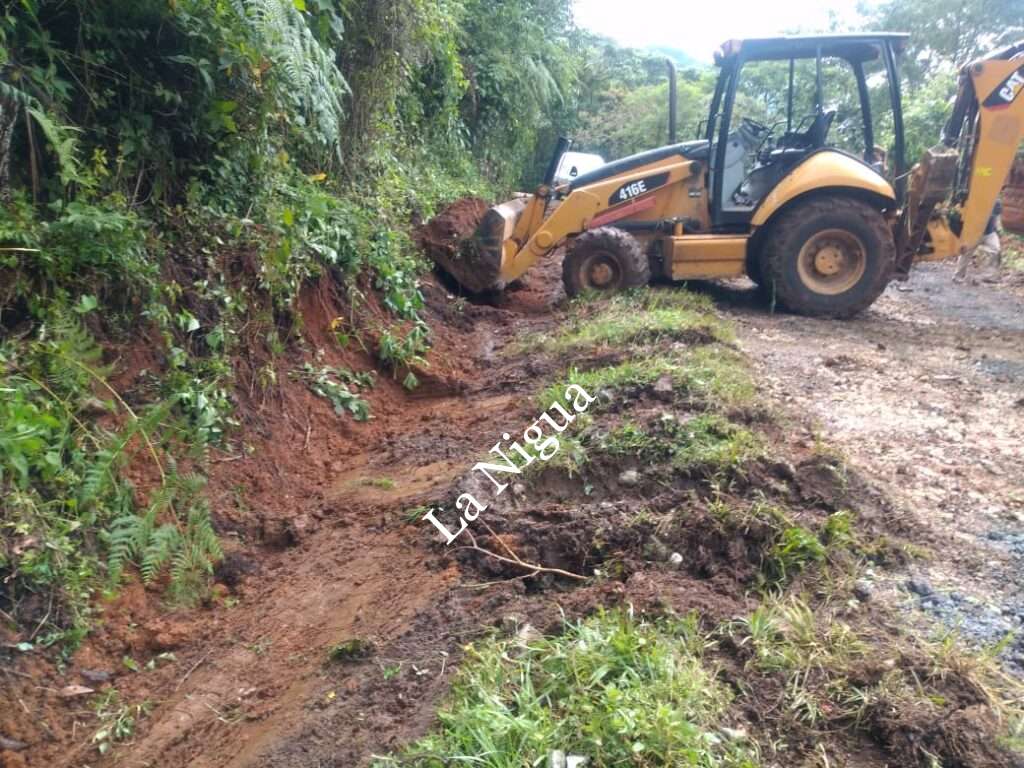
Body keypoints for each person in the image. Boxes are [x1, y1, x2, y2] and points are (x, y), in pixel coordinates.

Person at [954, 199, 1002, 282]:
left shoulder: (996, 201)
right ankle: (958, 276)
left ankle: (990, 276)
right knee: (966, 253)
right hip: (974, 233)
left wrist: (996, 229)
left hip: (989, 233)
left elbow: (996, 216)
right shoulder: (977, 198)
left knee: (996, 250)